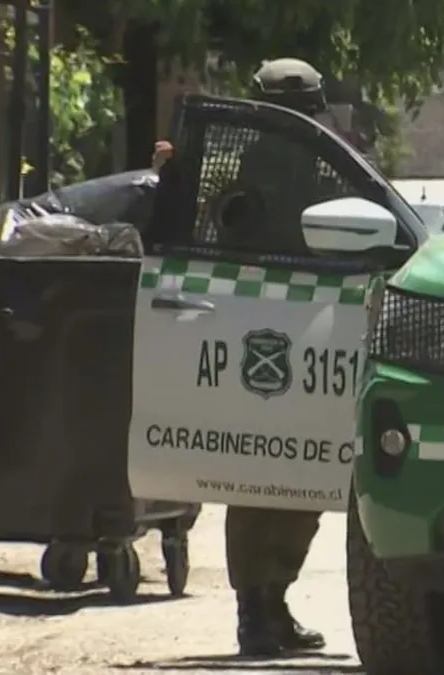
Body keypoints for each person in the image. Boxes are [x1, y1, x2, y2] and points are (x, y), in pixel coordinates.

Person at [153, 59, 330, 658]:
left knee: (270, 476)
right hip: (277, 335)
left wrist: (172, 176)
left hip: (270, 333)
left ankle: (263, 609)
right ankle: (262, 608)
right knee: (280, 476)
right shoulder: (303, 168)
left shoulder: (312, 168)